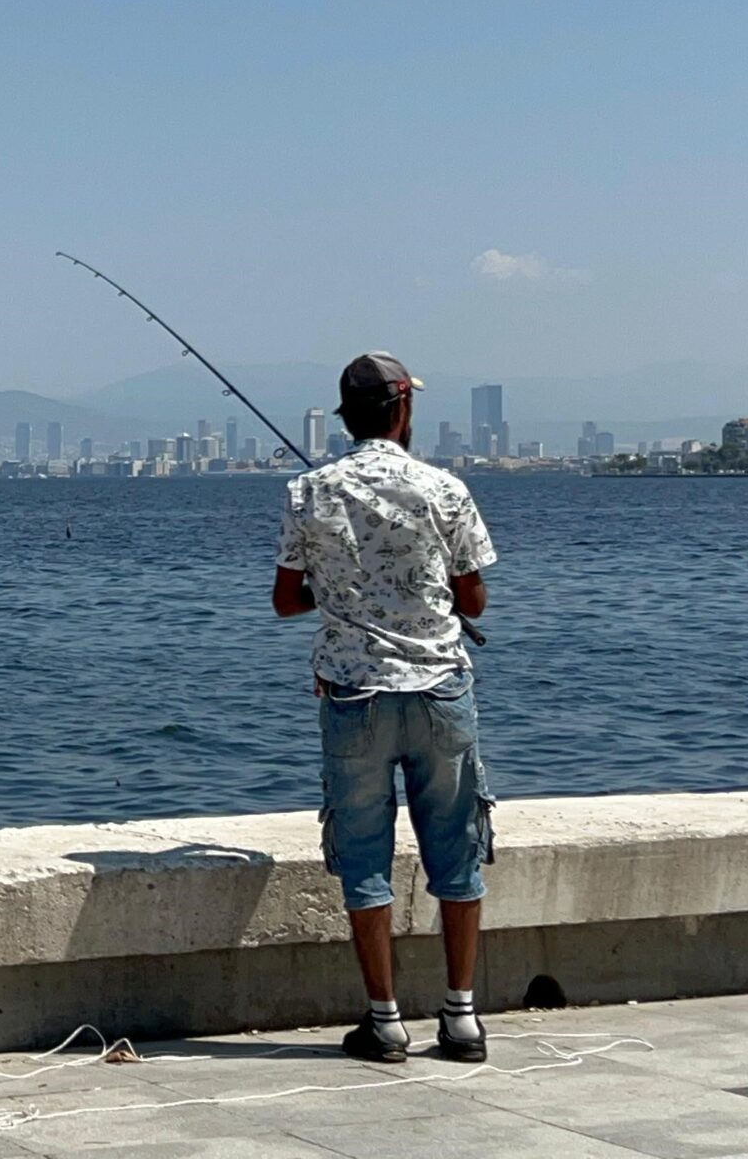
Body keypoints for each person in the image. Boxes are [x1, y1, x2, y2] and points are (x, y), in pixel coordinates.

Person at [270, 352, 497, 1064]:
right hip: (439, 692)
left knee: (365, 858)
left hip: (353, 697)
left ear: (347, 415)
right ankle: (461, 1019)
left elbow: (285, 600)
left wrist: (338, 597)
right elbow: (474, 598)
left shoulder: (309, 491)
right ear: (402, 409)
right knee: (456, 851)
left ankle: (385, 1020)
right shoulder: (444, 489)